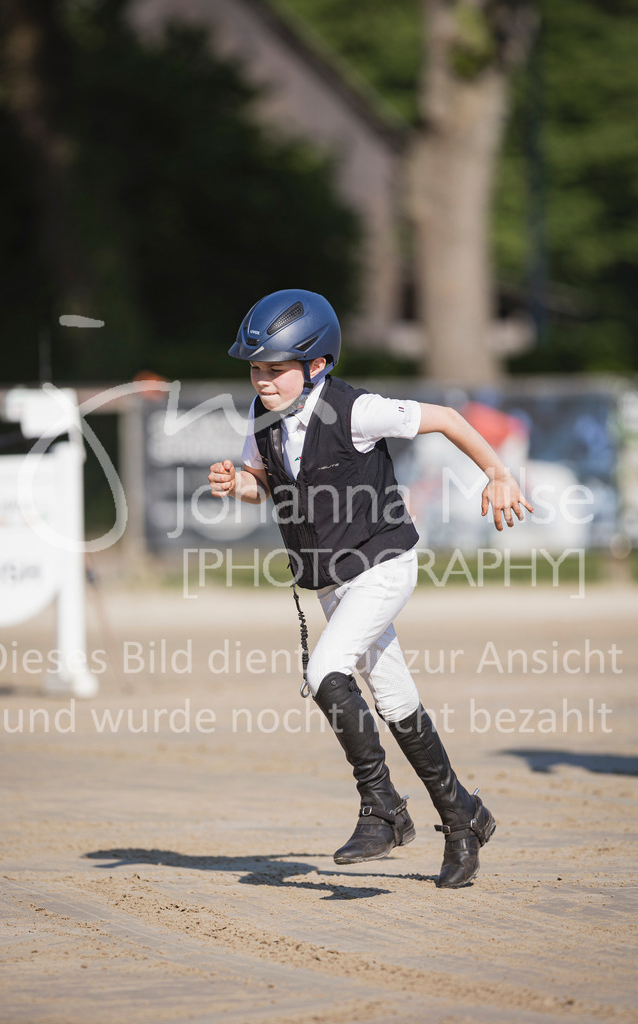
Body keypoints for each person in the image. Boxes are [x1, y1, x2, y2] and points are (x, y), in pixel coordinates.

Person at [208, 289, 533, 888]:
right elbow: (269, 487)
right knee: (393, 698)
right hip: (333, 581)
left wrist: (497, 472)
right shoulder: (260, 424)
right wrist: (240, 485)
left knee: (325, 670)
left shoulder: (357, 410)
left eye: (275, 369)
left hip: (383, 565)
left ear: (318, 365)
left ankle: (382, 807)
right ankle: (463, 818)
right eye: (255, 368)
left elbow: (448, 419)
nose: (262, 380)